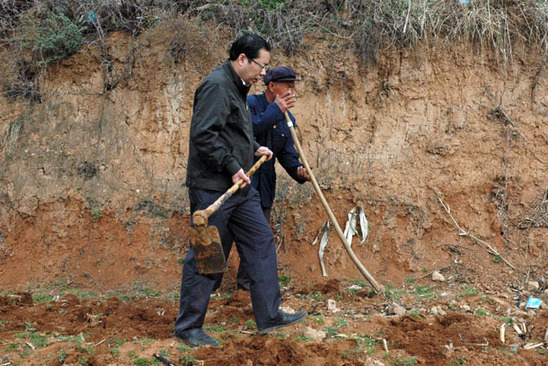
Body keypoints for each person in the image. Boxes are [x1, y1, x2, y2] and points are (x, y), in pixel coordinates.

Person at [174, 34, 307, 348]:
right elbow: (204, 136)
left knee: (261, 241)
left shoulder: (239, 88)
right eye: (261, 65)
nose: (264, 73)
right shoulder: (217, 86)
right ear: (243, 59)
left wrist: (252, 148)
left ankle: (269, 315)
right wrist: (233, 165)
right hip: (212, 188)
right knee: (206, 256)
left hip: (240, 188)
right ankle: (188, 327)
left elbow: (233, 131)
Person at [236, 66, 311, 291]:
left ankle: (246, 287)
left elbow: (287, 154)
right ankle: (210, 285)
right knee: (225, 236)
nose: (291, 92)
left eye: (293, 87)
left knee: (258, 238)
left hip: (264, 188)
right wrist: (276, 110)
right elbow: (250, 129)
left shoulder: (288, 119)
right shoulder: (249, 105)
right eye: (287, 87)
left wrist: (299, 170)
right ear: (271, 87)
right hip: (240, 184)